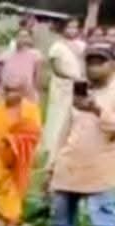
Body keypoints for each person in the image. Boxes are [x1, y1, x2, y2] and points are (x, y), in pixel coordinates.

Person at [46, 42, 115, 226]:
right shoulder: (80, 92)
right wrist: (52, 163)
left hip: (102, 169)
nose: (94, 67)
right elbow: (65, 130)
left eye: (100, 62)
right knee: (61, 222)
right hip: (70, 166)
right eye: (90, 62)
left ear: (112, 64)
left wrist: (97, 109)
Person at [0, 77, 42, 226]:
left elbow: (33, 135)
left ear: (22, 92)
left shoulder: (30, 112)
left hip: (17, 162)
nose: (9, 95)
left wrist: (13, 140)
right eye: (6, 91)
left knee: (14, 197)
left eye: (14, 91)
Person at [43, 17, 88, 160]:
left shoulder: (82, 45)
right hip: (62, 85)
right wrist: (72, 77)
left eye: (75, 27)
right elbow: (57, 68)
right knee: (59, 114)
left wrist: (83, 78)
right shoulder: (57, 46)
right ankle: (52, 148)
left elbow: (85, 64)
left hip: (79, 85)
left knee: (77, 114)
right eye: (69, 27)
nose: (72, 30)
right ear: (63, 29)